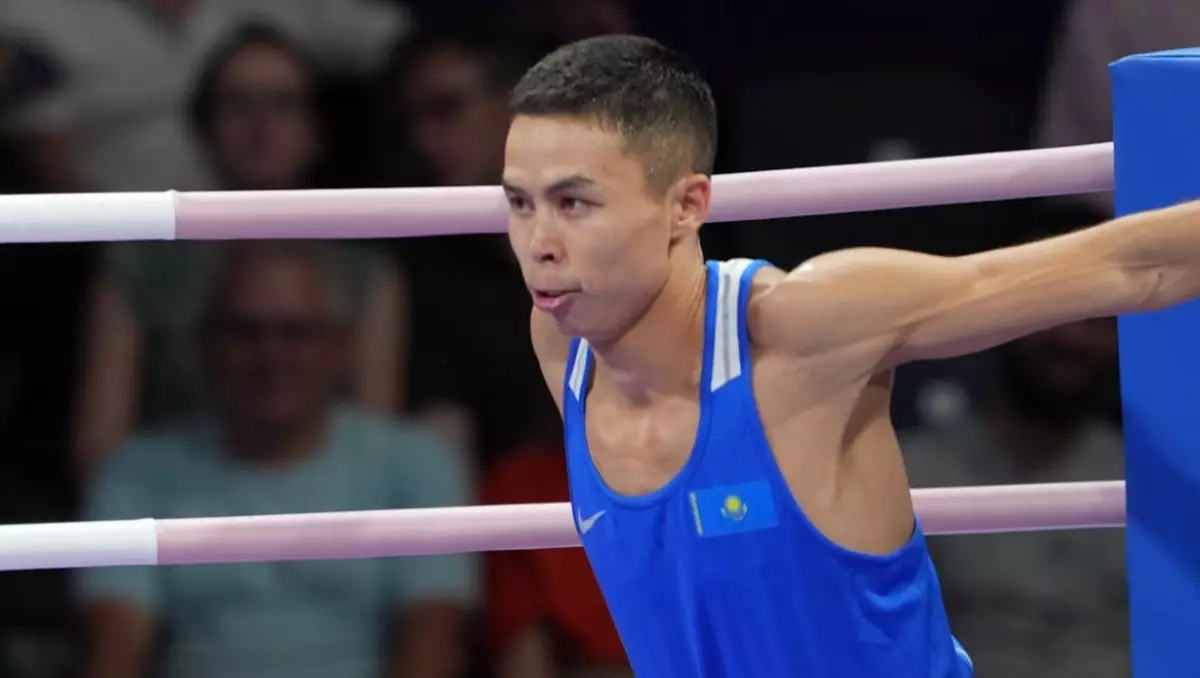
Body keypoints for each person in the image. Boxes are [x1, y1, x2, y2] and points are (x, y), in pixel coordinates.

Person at [502, 34, 1200, 676]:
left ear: (686, 205)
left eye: (573, 203)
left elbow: (1134, 268)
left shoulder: (800, 330)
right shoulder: (561, 342)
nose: (538, 244)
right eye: (520, 204)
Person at [77, 241, 475, 678]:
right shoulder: (135, 473)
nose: (271, 356)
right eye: (245, 332)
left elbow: (433, 640)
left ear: (339, 347)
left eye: (295, 332)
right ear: (204, 344)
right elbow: (114, 648)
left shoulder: (416, 464)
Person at [71, 24, 405, 472]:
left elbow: (376, 454)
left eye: (283, 104)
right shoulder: (138, 264)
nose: (260, 124)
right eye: (239, 104)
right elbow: (99, 449)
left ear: (316, 131)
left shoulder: (365, 275)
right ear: (205, 127)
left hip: (329, 507)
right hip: (172, 499)